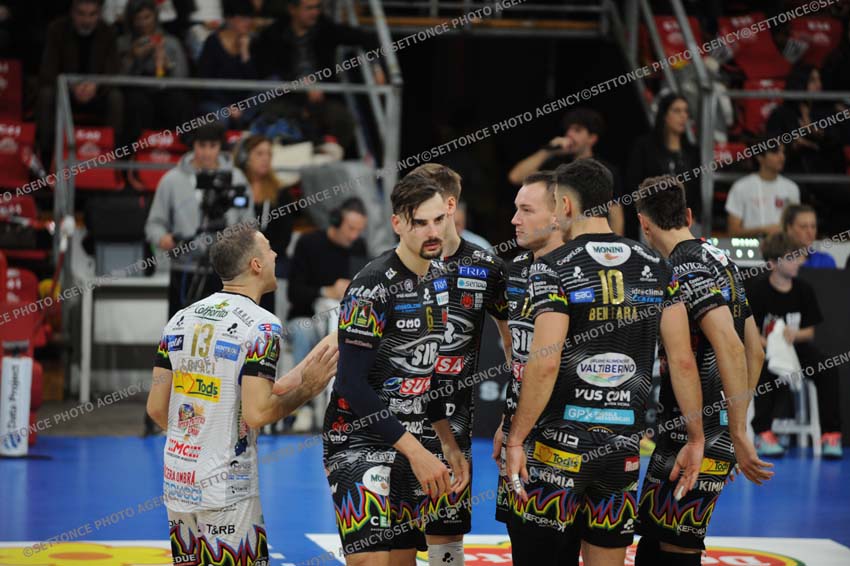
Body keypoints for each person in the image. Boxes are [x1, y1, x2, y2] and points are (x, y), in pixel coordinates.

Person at [505, 159, 705, 566]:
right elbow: (682, 361)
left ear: (564, 205)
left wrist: (515, 438)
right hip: (622, 450)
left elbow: (545, 363)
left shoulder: (551, 267)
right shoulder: (657, 266)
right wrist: (696, 438)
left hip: (557, 449)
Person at [146, 225, 339, 566]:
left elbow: (156, 408)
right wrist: (308, 390)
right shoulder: (262, 326)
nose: (276, 254)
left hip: (178, 481)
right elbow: (258, 412)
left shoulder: (181, 319)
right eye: (269, 249)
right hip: (227, 487)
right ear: (255, 264)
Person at [323, 174, 467, 566]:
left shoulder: (438, 278)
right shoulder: (372, 285)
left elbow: (428, 374)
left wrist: (446, 444)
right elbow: (350, 383)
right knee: (371, 561)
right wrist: (417, 452)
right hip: (358, 439)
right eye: (420, 223)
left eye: (438, 220)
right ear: (398, 223)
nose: (432, 232)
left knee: (403, 559)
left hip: (414, 437)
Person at [633, 175, 774, 565]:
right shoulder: (720, 258)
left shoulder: (682, 268)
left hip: (695, 435)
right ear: (689, 216)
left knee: (679, 547)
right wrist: (732, 431)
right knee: (656, 538)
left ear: (643, 223)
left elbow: (731, 344)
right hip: (701, 432)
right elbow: (755, 351)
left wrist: (735, 433)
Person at [409, 163, 511, 566]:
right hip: (396, 426)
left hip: (453, 427)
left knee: (445, 537)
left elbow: (513, 345)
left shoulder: (486, 267)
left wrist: (512, 415)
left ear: (449, 205)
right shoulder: (400, 263)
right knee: (393, 543)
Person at [492, 171, 582, 564]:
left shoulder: (584, 270)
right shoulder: (512, 271)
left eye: (527, 210)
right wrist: (509, 420)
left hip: (572, 443)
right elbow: (516, 351)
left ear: (559, 213)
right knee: (527, 548)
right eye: (516, 209)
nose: (515, 220)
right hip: (523, 440)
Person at [747, 232, 843, 459]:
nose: (798, 262)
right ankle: (763, 433)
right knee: (762, 371)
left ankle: (830, 434)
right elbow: (751, 332)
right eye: (791, 258)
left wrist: (795, 334)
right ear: (773, 263)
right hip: (768, 350)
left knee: (828, 369)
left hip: (797, 349)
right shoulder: (758, 291)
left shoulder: (803, 290)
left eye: (798, 256)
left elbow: (809, 332)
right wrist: (771, 343)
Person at [251, 0, 385, 153]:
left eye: (317, 7)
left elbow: (367, 38)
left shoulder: (326, 29)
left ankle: (327, 156)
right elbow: (266, 71)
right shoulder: (273, 34)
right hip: (287, 96)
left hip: (323, 97)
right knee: (271, 116)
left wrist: (376, 68)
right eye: (309, 8)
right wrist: (298, 84)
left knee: (342, 119)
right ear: (293, 9)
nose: (315, 12)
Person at [286, 197, 367, 430]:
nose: (354, 236)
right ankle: (303, 406)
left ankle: (351, 404)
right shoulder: (309, 243)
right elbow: (294, 292)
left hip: (343, 319)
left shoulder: (358, 247)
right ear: (336, 221)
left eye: (359, 230)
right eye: (351, 228)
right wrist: (326, 290)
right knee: (303, 332)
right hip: (307, 317)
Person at [508, 108, 624, 236]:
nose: (569, 134)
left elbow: (615, 214)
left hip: (590, 236)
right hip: (558, 238)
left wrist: (614, 242)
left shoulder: (605, 170)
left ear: (592, 138)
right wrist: (548, 151)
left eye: (577, 130)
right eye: (568, 129)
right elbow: (515, 177)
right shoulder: (556, 165)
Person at [37, 0, 122, 162]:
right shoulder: (57, 29)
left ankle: (112, 157)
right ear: (72, 13)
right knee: (46, 95)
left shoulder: (108, 32)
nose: (86, 20)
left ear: (99, 14)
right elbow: (48, 70)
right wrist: (71, 86)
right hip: (65, 92)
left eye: (92, 15)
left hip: (97, 92)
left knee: (116, 98)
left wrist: (96, 85)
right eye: (81, 14)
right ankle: (46, 157)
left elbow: (114, 69)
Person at [117, 0, 193, 146]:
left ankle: (184, 148)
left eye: (147, 17)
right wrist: (132, 57)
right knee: (136, 103)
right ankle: (130, 153)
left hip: (166, 91)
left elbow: (183, 78)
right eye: (138, 18)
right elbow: (116, 78)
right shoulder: (123, 43)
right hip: (137, 92)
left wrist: (167, 65)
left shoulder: (171, 42)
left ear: (155, 17)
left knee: (181, 102)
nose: (142, 23)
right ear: (131, 20)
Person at [234, 134, 296, 311]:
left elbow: (284, 238)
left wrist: (260, 259)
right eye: (259, 153)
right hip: (236, 259)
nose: (265, 159)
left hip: (267, 259)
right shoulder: (233, 189)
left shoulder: (281, 193)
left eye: (269, 154)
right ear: (245, 157)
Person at [627, 94, 701, 239]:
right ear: (664, 115)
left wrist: (694, 216)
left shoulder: (692, 152)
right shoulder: (645, 147)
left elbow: (696, 189)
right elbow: (634, 184)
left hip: (684, 223)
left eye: (686, 111)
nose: (683, 116)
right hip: (653, 221)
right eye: (677, 111)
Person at [197, 0, 258, 130]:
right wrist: (228, 106)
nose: (248, 22)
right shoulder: (212, 42)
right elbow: (206, 80)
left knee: (272, 86)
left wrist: (245, 54)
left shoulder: (252, 42)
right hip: (216, 101)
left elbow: (253, 82)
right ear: (229, 19)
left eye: (250, 17)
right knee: (221, 117)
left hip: (245, 103)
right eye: (243, 18)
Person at [725, 141, 801, 238]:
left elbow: (796, 227)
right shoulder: (741, 187)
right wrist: (763, 230)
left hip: (783, 245)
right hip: (749, 245)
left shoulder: (792, 188)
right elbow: (733, 232)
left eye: (783, 152)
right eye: (775, 152)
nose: (782, 157)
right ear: (760, 157)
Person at [782, 204, 836, 268]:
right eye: (803, 226)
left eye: (813, 226)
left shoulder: (826, 261)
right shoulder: (776, 262)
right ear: (789, 228)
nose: (810, 232)